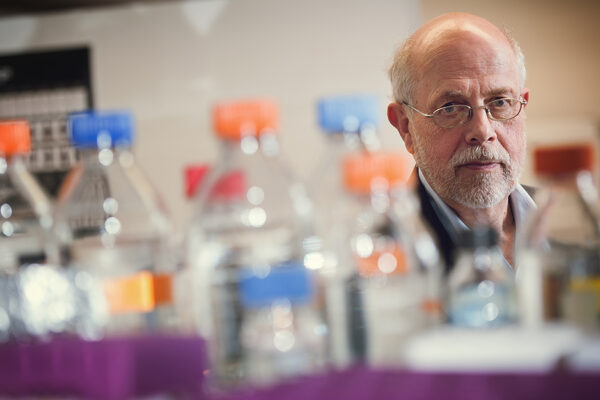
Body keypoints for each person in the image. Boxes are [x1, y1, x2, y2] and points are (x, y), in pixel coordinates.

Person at [387, 12, 535, 271]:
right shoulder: (385, 255)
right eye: (451, 107)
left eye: (500, 102)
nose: (482, 130)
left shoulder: (573, 226)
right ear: (405, 126)